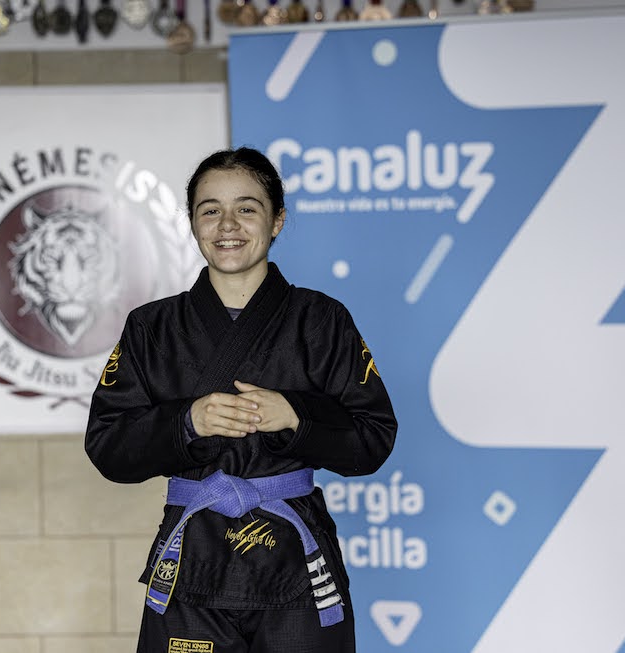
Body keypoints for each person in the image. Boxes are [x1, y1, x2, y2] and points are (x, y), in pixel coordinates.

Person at [85, 147, 397, 653]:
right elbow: (108, 447)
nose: (227, 224)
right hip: (192, 560)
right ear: (191, 223)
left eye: (247, 208)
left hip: (296, 562)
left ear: (277, 221)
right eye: (210, 210)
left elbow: (374, 438)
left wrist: (298, 418)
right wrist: (186, 423)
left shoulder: (321, 320)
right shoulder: (152, 327)